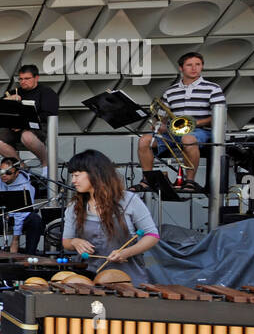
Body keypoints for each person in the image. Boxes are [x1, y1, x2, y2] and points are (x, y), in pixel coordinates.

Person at [62, 150, 159, 283]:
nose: (73, 181)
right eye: (72, 176)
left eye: (77, 175)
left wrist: (126, 252)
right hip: (88, 278)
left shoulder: (129, 200)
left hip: (128, 279)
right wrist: (74, 242)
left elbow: (152, 236)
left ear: (95, 173)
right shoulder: (75, 206)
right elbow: (66, 241)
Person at [135, 51, 225, 193]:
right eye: (189, 65)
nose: (194, 68)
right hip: (174, 132)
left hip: (200, 132)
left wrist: (196, 123)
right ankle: (148, 179)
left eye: (198, 64)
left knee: (188, 138)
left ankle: (190, 181)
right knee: (144, 140)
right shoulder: (170, 92)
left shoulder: (213, 88)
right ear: (181, 68)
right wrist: (159, 125)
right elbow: (162, 116)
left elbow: (220, 116)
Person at [0, 64, 57, 165]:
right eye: (20, 79)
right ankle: (20, 166)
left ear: (36, 78)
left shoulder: (46, 92)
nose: (23, 82)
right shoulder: (15, 92)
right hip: (14, 128)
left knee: (27, 136)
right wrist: (7, 100)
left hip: (37, 128)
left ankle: (46, 163)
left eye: (27, 78)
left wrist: (24, 124)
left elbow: (49, 114)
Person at [0, 157, 43, 254]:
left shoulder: (27, 187)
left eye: (8, 173)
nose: (4, 175)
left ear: (17, 173)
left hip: (20, 216)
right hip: (3, 214)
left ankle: (30, 255)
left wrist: (15, 239)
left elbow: (22, 213)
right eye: (1, 171)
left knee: (35, 219)